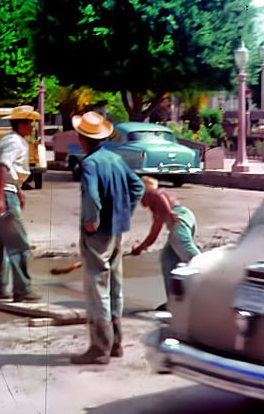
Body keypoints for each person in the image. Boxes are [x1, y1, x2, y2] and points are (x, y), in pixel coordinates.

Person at [70, 111, 144, 365]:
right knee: (115, 286)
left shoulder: (90, 163)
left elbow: (91, 197)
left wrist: (92, 222)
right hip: (117, 230)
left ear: (82, 138)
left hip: (98, 234)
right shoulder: (115, 158)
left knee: (98, 288)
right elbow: (138, 187)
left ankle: (100, 347)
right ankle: (117, 344)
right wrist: (125, 213)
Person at [0, 105, 41, 302]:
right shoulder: (15, 142)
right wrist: (2, 197)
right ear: (20, 123)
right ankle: (22, 290)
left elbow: (8, 171)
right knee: (19, 245)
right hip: (2, 195)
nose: (32, 126)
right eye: (29, 122)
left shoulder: (10, 140)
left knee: (0, 246)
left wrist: (18, 190)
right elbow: (3, 167)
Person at [130, 176, 200, 298]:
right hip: (185, 217)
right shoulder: (157, 209)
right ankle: (173, 299)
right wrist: (139, 249)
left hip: (179, 219)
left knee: (187, 250)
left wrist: (169, 212)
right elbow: (153, 235)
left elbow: (158, 195)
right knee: (168, 258)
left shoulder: (153, 194)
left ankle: (210, 273)